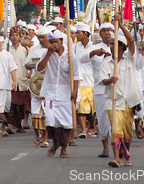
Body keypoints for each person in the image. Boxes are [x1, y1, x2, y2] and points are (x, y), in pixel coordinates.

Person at [99, 14, 142, 168]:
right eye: (110, 43)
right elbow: (103, 80)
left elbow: (131, 41)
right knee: (116, 130)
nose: (111, 46)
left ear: (121, 46)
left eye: (114, 43)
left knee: (127, 132)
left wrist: (120, 24)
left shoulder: (129, 58)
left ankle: (126, 156)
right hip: (112, 100)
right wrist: (110, 80)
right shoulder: (106, 61)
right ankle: (116, 158)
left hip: (129, 100)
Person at [37, 29, 80, 158]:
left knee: (65, 123)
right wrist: (49, 53)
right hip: (50, 92)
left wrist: (75, 91)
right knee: (51, 122)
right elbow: (39, 68)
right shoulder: (46, 53)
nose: (54, 44)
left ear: (61, 41)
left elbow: (77, 76)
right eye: (51, 42)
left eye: (56, 42)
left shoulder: (71, 56)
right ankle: (55, 144)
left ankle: (64, 148)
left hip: (65, 94)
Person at [80, 22, 114, 157]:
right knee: (103, 119)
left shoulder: (118, 46)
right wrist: (94, 53)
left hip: (117, 90)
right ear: (100, 34)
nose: (107, 33)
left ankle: (119, 148)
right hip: (100, 90)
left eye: (109, 30)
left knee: (117, 120)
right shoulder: (95, 48)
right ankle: (105, 148)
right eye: (104, 31)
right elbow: (81, 59)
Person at [24, 27, 50, 147]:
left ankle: (45, 138)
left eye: (43, 37)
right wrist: (36, 64)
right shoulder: (34, 50)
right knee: (35, 114)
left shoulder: (54, 50)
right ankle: (37, 135)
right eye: (39, 37)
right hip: (36, 85)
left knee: (45, 113)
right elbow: (26, 65)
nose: (41, 39)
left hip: (49, 85)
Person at [7, 27, 30, 133]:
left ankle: (19, 125)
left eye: (17, 35)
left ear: (20, 37)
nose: (15, 37)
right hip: (11, 80)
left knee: (21, 105)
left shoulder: (24, 50)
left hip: (22, 79)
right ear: (10, 38)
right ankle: (10, 125)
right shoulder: (7, 50)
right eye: (13, 35)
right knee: (11, 104)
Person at [75, 22, 95, 138]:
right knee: (82, 104)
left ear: (85, 33)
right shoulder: (75, 47)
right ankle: (83, 130)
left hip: (91, 79)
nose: (77, 35)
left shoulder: (94, 47)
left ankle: (90, 128)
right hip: (79, 79)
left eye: (78, 33)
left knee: (91, 107)